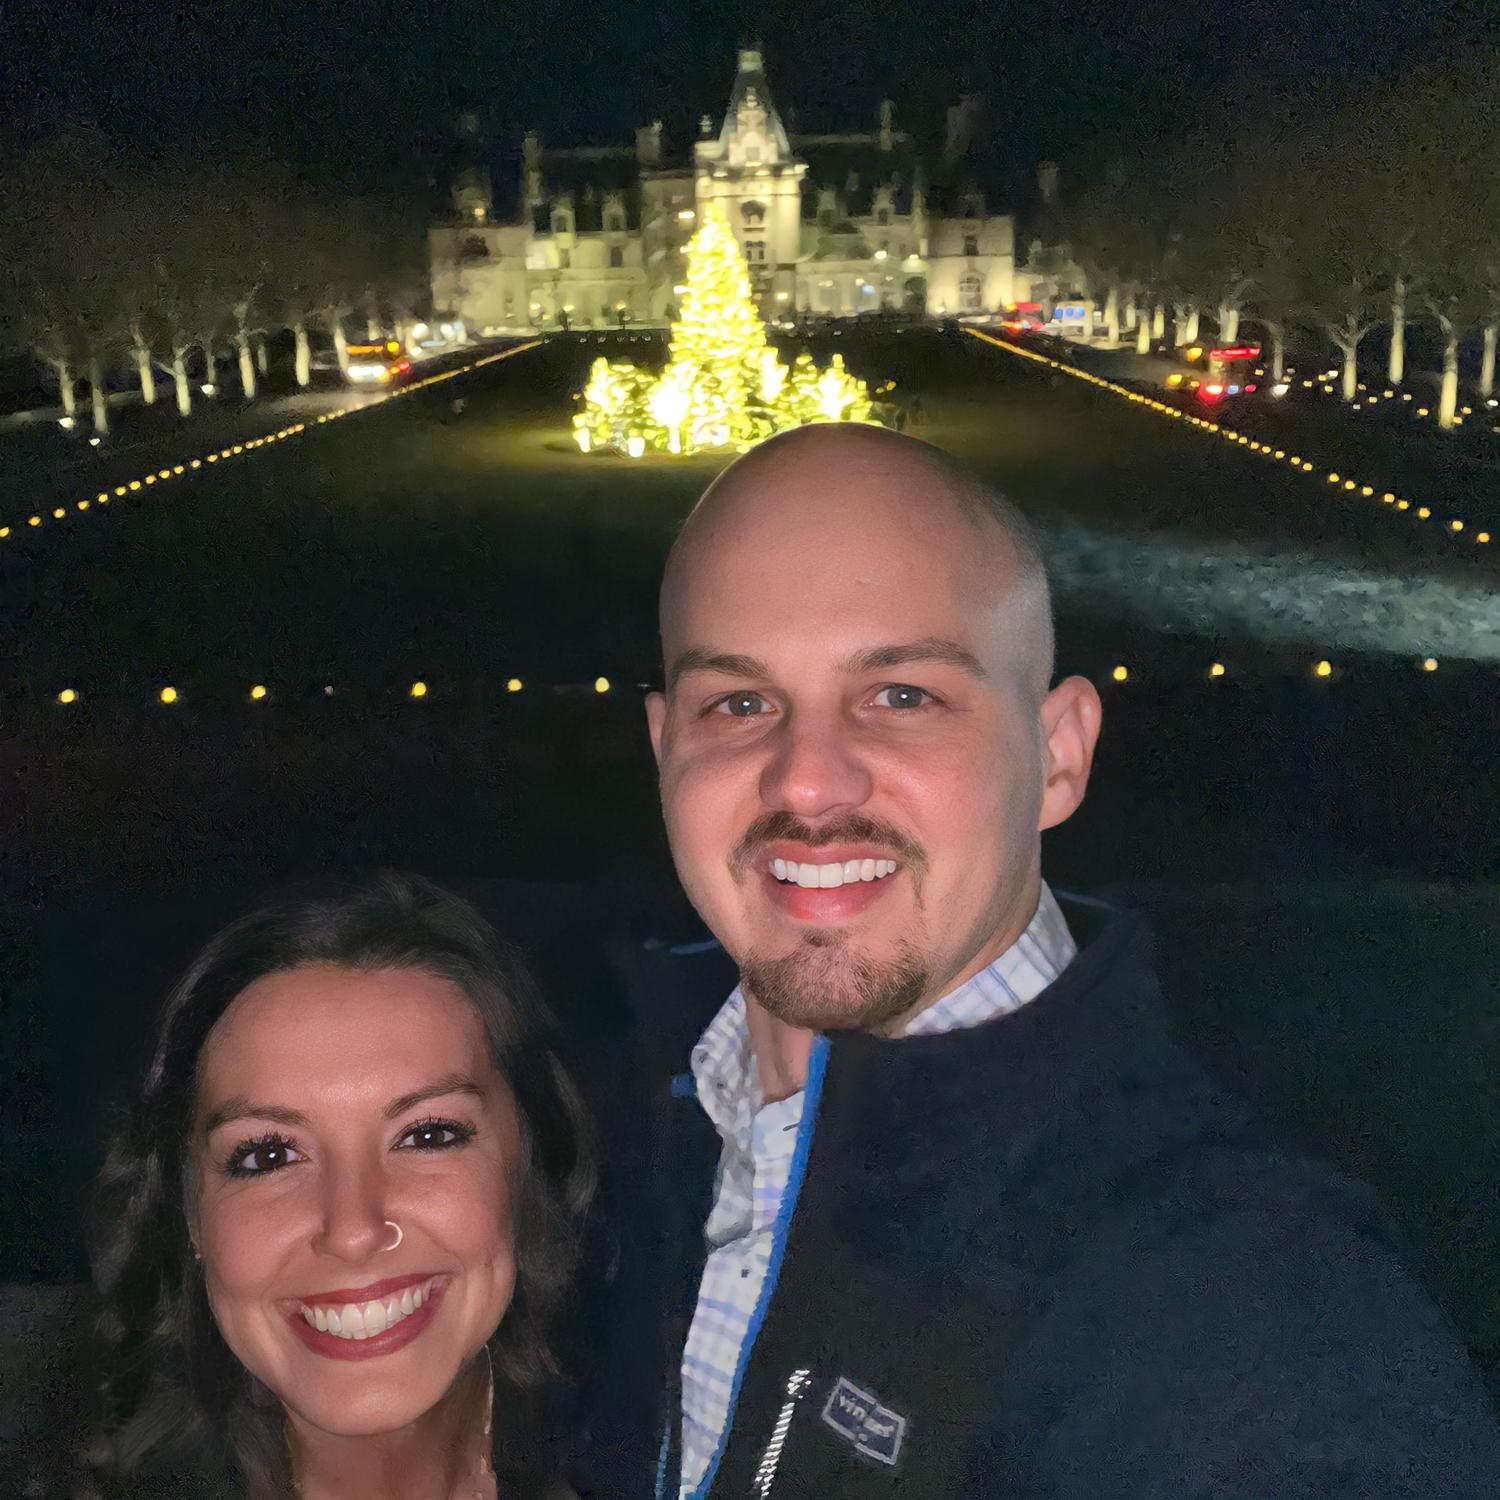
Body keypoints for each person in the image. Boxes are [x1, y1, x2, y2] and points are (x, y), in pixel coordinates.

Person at [572, 422, 1500, 1497]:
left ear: (1058, 755)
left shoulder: (1243, 1306)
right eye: (739, 703)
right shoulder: (601, 1128)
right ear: (664, 749)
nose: (809, 783)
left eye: (902, 696)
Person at [85, 870, 591, 1500]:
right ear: (190, 1213)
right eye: (268, 1155)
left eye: (427, 1135)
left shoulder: (665, 1451)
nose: (353, 1231)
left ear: (526, 1165)